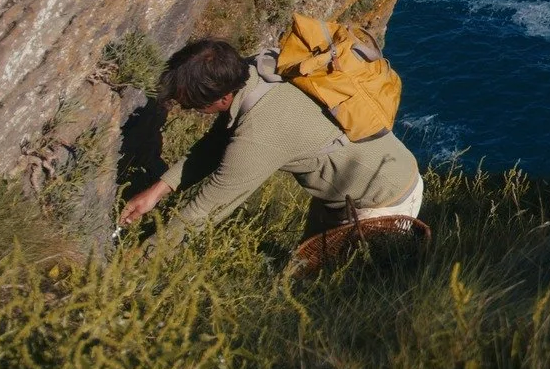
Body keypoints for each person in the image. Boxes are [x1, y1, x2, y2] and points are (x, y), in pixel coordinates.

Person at [117, 38, 422, 241]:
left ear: (223, 98)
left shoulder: (261, 132)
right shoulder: (255, 72)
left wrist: (146, 257)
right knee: (307, 272)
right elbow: (214, 145)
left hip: (386, 198)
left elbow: (209, 206)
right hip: (361, 179)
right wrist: (156, 192)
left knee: (343, 283)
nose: (190, 110)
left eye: (194, 105)